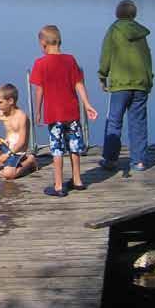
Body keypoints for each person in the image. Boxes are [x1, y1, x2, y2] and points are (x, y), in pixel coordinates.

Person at [30, 25, 97, 197]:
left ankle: (59, 185)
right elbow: (79, 84)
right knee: (74, 147)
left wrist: (37, 111)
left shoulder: (40, 63)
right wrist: (87, 104)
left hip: (54, 114)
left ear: (43, 44)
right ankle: (77, 180)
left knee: (57, 149)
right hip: (72, 112)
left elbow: (39, 90)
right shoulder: (70, 60)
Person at [98, 0, 153, 172]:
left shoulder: (114, 31)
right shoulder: (140, 33)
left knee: (114, 121)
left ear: (117, 14)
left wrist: (102, 75)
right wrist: (149, 80)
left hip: (120, 84)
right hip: (141, 84)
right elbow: (147, 57)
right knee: (138, 122)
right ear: (134, 15)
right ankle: (139, 161)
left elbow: (106, 55)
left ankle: (110, 160)